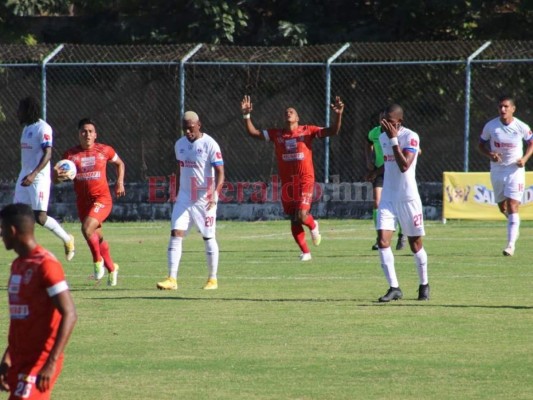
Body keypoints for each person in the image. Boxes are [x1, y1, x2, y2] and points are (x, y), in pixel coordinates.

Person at [240, 95, 344, 261]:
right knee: (294, 218)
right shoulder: (277, 134)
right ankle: (306, 252)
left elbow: (333, 131)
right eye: (286, 112)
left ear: (297, 118)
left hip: (305, 180)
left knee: (302, 215)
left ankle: (313, 224)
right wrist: (246, 115)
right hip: (288, 184)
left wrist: (338, 114)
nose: (288, 113)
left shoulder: (307, 131)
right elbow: (253, 132)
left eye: (291, 112)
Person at [0, 203, 77, 399]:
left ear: (12, 230)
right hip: (19, 360)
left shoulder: (46, 265)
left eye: (2, 230)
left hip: (40, 361)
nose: (1, 236)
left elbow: (70, 313)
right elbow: (22, 319)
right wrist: (7, 357)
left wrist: (51, 363)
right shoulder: (18, 265)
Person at [157, 111, 225, 291]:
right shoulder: (179, 145)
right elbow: (180, 169)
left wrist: (215, 194)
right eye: (184, 128)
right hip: (185, 197)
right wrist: (177, 191)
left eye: (190, 128)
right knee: (175, 233)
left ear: (199, 125)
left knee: (208, 236)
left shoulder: (210, 144)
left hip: (205, 198)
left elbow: (220, 173)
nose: (187, 132)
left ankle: (212, 279)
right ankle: (172, 279)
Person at [54, 118, 125, 286]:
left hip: (102, 199)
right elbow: (57, 179)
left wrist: (120, 182)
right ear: (78, 134)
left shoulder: (104, 150)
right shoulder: (70, 155)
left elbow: (120, 163)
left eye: (90, 131)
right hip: (83, 202)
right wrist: (58, 176)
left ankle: (97, 262)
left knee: (86, 228)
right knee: (97, 237)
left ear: (95, 135)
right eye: (83, 131)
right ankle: (112, 268)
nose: (87, 134)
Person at [375, 104, 429, 302]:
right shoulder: (382, 137)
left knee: (415, 245)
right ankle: (394, 287)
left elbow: (404, 165)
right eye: (383, 120)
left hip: (408, 198)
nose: (385, 124)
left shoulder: (411, 137)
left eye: (389, 120)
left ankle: (424, 284)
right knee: (382, 241)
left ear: (399, 122)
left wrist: (394, 140)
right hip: (388, 198)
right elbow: (389, 165)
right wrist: (374, 171)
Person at [14, 96, 75, 262]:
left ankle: (68, 239)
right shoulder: (26, 129)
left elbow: (48, 154)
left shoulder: (43, 128)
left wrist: (33, 174)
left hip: (38, 178)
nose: (17, 113)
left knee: (40, 218)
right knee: (15, 216)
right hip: (24, 176)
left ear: (28, 110)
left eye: (20, 109)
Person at [478, 95, 533, 256]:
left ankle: (510, 245)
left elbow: (531, 142)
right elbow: (480, 145)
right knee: (502, 207)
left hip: (515, 170)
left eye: (506, 107)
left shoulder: (521, 126)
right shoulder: (491, 126)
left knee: (512, 205)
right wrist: (490, 155)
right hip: (497, 170)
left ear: (513, 109)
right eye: (500, 107)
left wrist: (524, 159)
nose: (502, 109)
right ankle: (513, 223)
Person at [365, 110, 406, 251]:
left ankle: (402, 233)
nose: (383, 122)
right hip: (380, 172)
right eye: (381, 119)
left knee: (399, 204)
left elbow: (404, 155)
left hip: (394, 172)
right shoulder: (375, 133)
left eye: (386, 119)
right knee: (377, 202)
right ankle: (379, 237)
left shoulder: (399, 134)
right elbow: (368, 141)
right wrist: (369, 160)